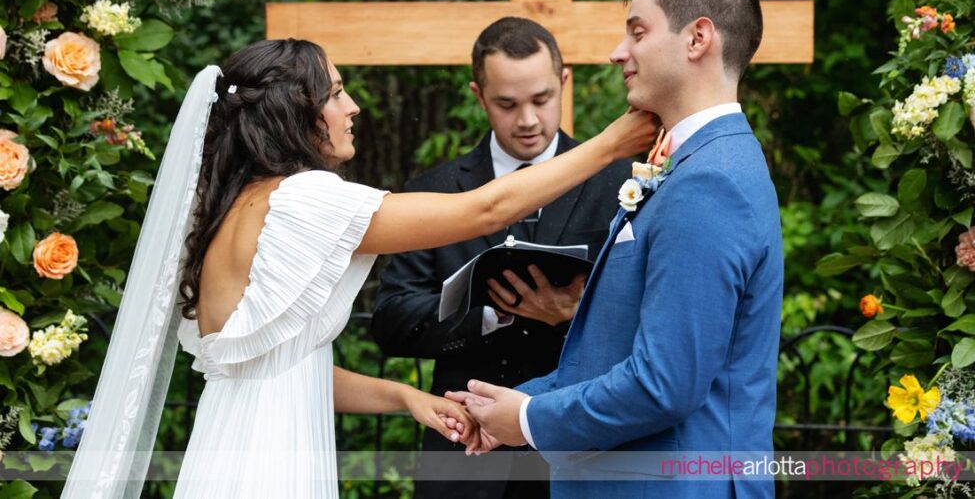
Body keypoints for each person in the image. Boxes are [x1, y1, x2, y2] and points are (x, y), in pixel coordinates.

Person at [60, 38, 655, 499]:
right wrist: (609, 144)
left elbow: (279, 368)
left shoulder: (228, 211)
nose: (353, 107)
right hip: (275, 461)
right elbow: (487, 208)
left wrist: (406, 399)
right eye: (336, 92)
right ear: (299, 113)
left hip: (223, 450)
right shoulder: (303, 199)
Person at [450, 0, 785, 499]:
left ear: (698, 38)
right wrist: (502, 409)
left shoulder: (711, 181)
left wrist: (532, 419)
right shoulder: (692, 164)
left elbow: (664, 384)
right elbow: (608, 351)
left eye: (637, 31)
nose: (617, 53)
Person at [371, 17, 629, 499]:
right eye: (507, 104)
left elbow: (647, 325)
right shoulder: (435, 189)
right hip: (463, 457)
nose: (528, 119)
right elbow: (390, 321)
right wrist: (487, 315)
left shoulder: (615, 184)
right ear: (478, 95)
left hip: (576, 452)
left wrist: (573, 315)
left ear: (564, 82)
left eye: (541, 99)